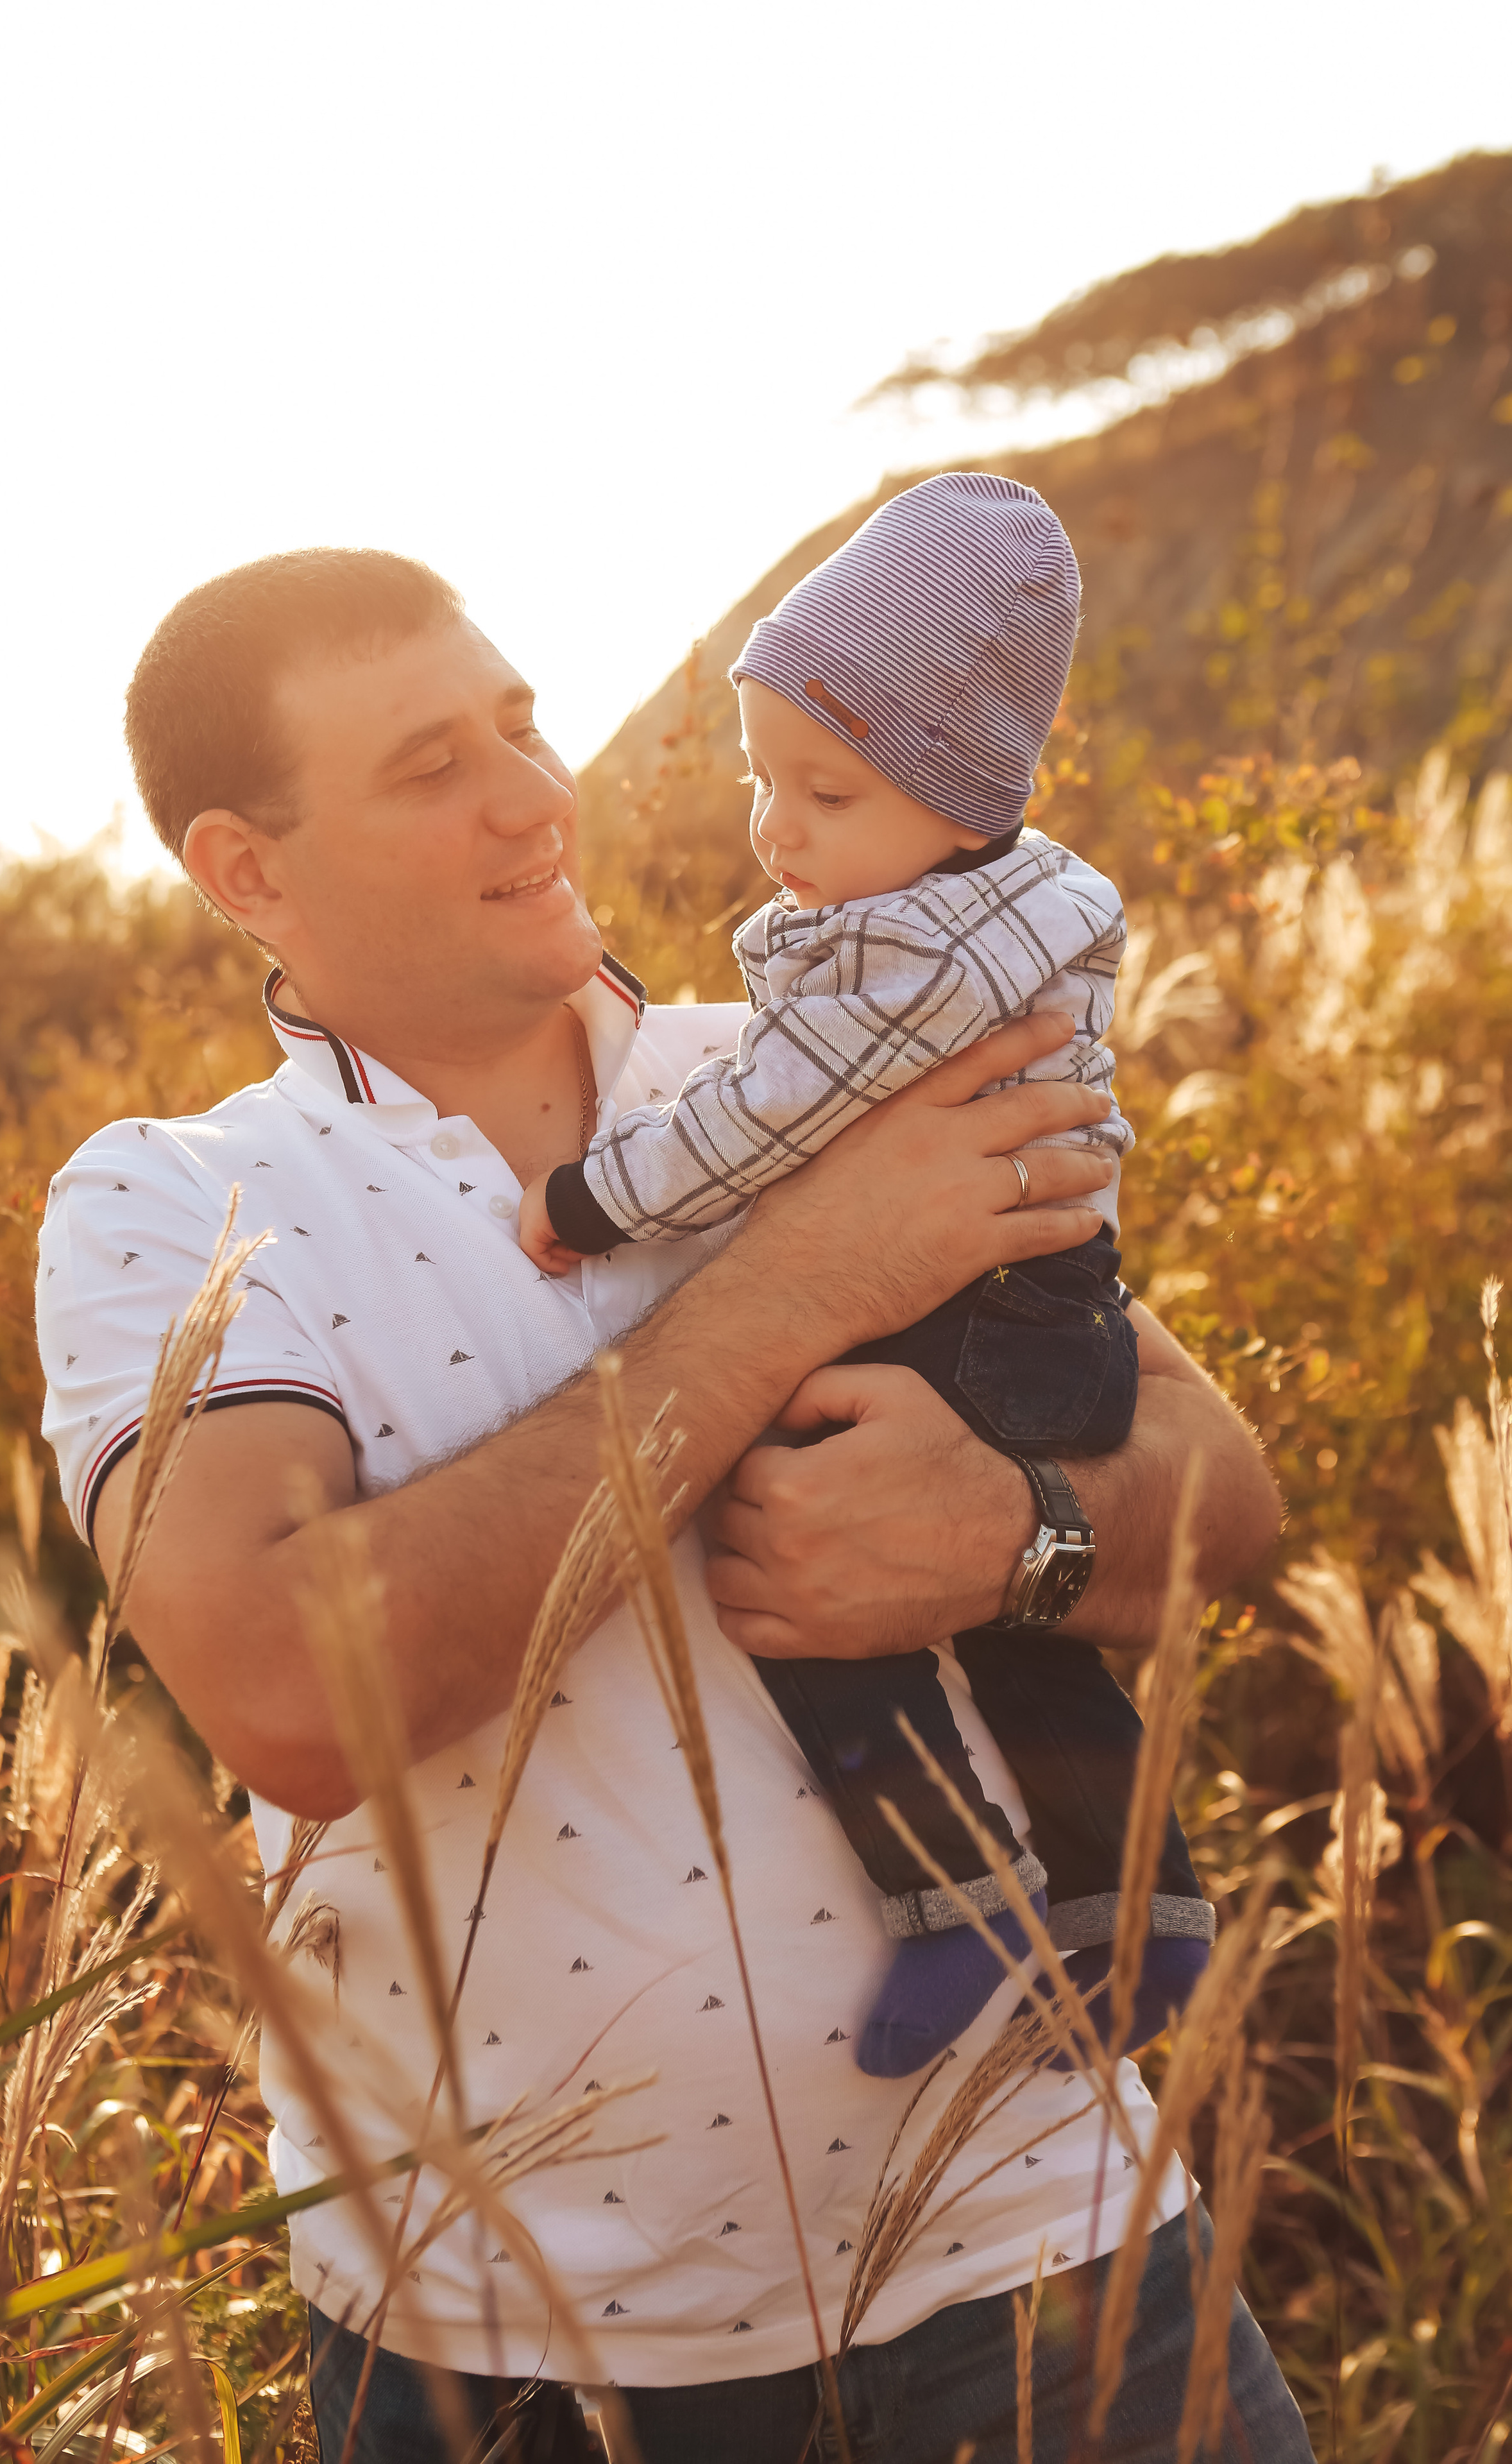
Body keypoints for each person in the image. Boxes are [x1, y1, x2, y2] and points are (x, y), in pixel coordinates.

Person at [37, 547, 1310, 2461]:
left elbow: (1223, 1499)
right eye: (427, 767)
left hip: (1070, 2274)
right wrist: (802, 1282)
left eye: (525, 725)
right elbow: (298, 1703)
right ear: (245, 870)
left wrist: (1010, 1529)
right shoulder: (174, 1206)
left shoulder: (819, 1059)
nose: (539, 798)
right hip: (535, 2365)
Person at [518, 474, 1210, 2083]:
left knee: (805, 1574)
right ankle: (1143, 1914)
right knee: (1029, 1641)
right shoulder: (989, 904)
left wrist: (592, 1200)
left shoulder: (926, 956)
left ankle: (956, 1898)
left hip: (982, 1324)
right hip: (1043, 1307)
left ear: (959, 801)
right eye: (766, 781)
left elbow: (767, 1119)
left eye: (822, 795)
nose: (774, 831)